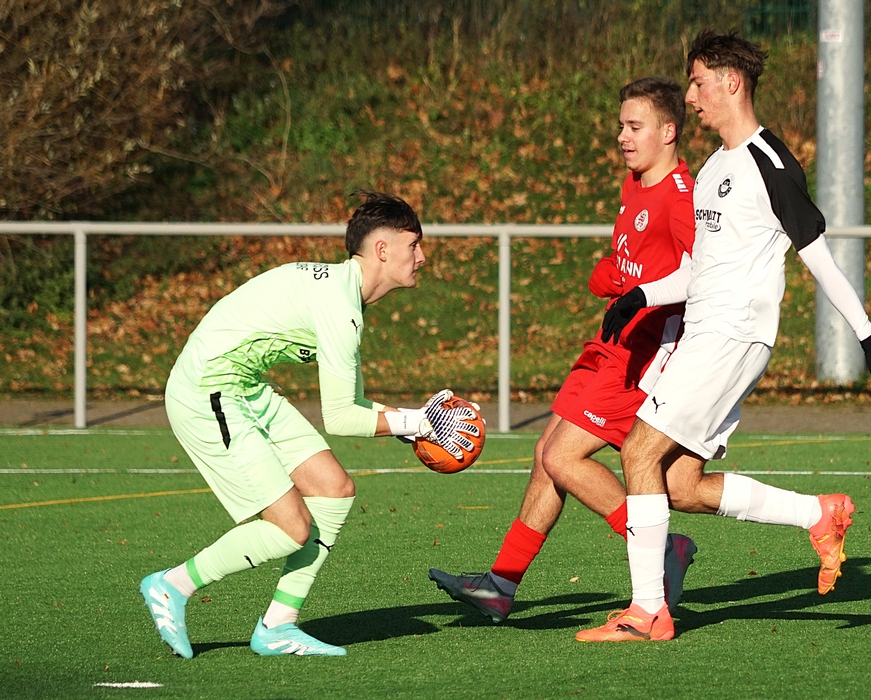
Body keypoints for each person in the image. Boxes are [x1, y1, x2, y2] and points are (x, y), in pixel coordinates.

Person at [577, 29, 871, 643]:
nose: (691, 97)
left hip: (732, 335)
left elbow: (817, 256)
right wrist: (643, 296)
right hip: (706, 331)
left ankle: (647, 612)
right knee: (678, 484)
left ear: (731, 83)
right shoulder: (713, 168)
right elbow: (700, 269)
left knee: (638, 452)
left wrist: (870, 338)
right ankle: (818, 514)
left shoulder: (770, 163)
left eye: (698, 83)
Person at [139, 191, 476, 657]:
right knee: (291, 529)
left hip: (244, 387)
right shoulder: (340, 308)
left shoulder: (344, 296)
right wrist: (418, 422)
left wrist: (413, 425)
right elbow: (339, 418)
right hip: (207, 390)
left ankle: (277, 626)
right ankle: (173, 584)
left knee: (333, 488)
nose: (422, 256)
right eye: (414, 245)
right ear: (382, 250)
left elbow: (353, 403)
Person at [428, 77, 699, 624]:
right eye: (620, 125)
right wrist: (613, 274)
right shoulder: (633, 184)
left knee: (562, 457)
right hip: (610, 343)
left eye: (635, 126)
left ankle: (664, 548)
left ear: (669, 131)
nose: (622, 136)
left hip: (644, 354)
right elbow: (635, 261)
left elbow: (699, 276)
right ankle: (501, 585)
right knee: (544, 455)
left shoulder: (680, 196)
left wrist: (642, 292)